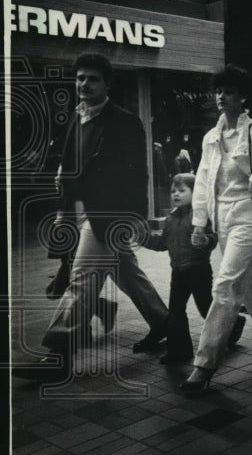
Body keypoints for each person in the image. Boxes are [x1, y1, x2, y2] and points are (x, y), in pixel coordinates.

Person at [14, 53, 171, 382]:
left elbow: (138, 174)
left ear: (107, 84)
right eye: (80, 78)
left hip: (109, 217)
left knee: (81, 281)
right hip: (82, 213)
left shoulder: (125, 121)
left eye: (92, 79)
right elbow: (68, 170)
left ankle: (59, 358)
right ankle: (164, 324)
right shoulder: (77, 118)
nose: (84, 84)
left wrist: (138, 217)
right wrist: (62, 214)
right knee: (128, 275)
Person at [180, 65, 252, 393]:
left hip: (250, 217)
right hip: (222, 219)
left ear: (242, 97)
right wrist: (199, 224)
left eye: (229, 92)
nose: (221, 97)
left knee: (226, 285)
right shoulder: (210, 138)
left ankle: (204, 364)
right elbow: (204, 182)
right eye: (218, 91)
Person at [144, 173, 247, 364]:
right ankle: (180, 351)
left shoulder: (199, 217)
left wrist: (205, 241)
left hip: (198, 270)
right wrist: (145, 239)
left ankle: (234, 324)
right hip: (178, 272)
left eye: (182, 191)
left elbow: (212, 238)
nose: (176, 194)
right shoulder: (171, 218)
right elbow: (162, 243)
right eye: (173, 191)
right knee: (175, 312)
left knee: (205, 307)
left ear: (195, 193)